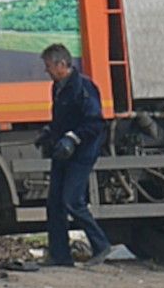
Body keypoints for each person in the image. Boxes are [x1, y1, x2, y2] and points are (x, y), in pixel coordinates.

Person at [36, 43, 114, 267]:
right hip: (62, 153)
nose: (47, 71)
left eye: (49, 66)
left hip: (82, 154)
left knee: (72, 200)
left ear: (62, 64)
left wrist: (73, 138)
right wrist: (49, 132)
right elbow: (61, 120)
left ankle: (101, 246)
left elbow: (95, 123)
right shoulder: (57, 87)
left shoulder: (84, 87)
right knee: (54, 203)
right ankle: (60, 256)